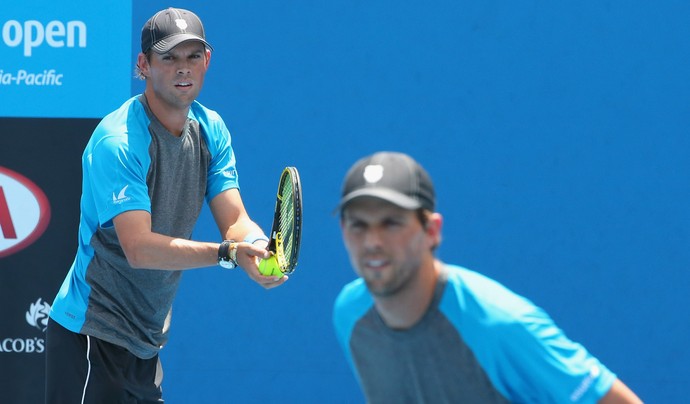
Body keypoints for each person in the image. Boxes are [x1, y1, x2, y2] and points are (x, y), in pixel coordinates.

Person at [45, 8, 286, 403]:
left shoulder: (212, 130)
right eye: (168, 57)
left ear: (207, 61)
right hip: (89, 339)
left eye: (193, 56)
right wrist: (227, 254)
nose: (182, 68)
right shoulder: (118, 141)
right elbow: (138, 248)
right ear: (144, 64)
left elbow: (236, 219)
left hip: (146, 345)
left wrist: (256, 248)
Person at [332, 151, 642, 403]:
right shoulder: (350, 315)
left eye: (391, 223)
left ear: (432, 231)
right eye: (359, 224)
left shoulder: (500, 324)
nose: (373, 241)